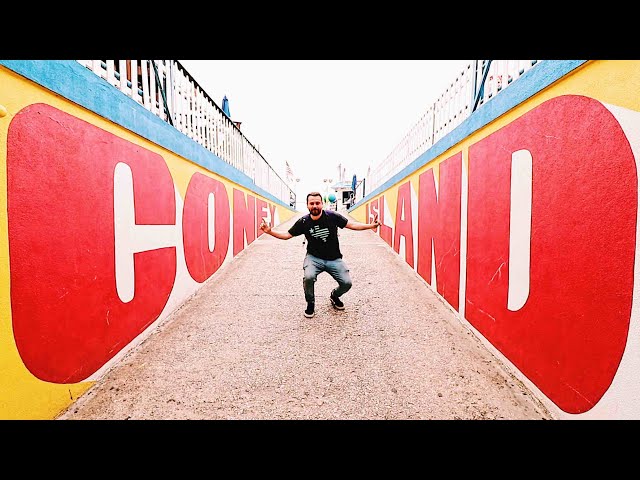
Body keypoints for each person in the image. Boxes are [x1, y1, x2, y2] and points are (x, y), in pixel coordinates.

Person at [260, 191, 380, 318]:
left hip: (334, 258)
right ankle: (310, 303)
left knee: (347, 283)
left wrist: (370, 226)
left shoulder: (332, 216)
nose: (315, 206)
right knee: (309, 277)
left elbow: (352, 225)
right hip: (314, 258)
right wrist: (270, 232)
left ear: (322, 204)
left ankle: (334, 296)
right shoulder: (303, 222)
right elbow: (286, 235)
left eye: (317, 203)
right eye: (312, 203)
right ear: (307, 205)